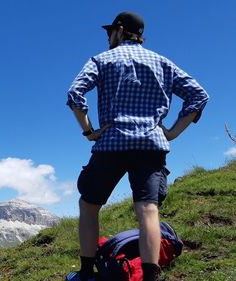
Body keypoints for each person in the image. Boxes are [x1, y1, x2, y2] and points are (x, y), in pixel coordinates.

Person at [65, 11, 209, 281]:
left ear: (119, 31)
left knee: (89, 204)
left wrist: (89, 131)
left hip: (111, 143)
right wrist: (173, 132)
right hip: (151, 146)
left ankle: (85, 274)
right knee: (148, 209)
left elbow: (75, 93)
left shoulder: (101, 59)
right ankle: (152, 276)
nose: (108, 37)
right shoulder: (163, 62)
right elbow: (198, 95)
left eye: (110, 32)